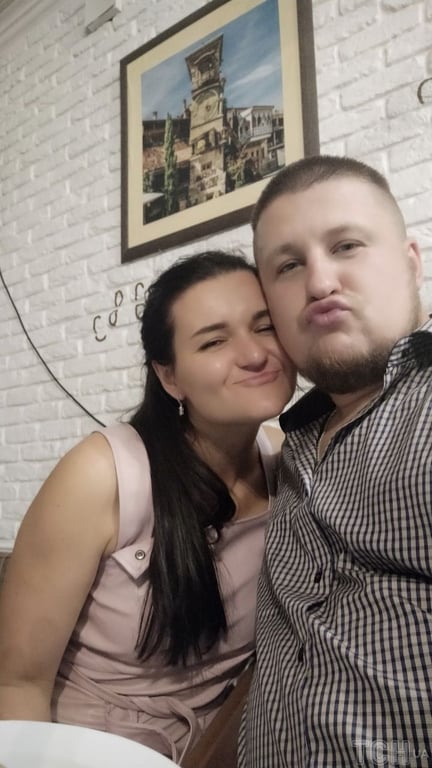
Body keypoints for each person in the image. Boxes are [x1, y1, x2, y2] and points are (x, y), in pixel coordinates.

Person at [0, 251, 295, 763]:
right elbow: (17, 682)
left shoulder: (291, 464)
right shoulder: (101, 475)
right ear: (169, 376)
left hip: (219, 746)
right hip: (86, 748)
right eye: (214, 341)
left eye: (264, 326)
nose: (253, 354)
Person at [239, 156, 432, 767]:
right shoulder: (291, 440)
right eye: (289, 266)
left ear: (411, 261)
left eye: (346, 246)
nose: (320, 283)